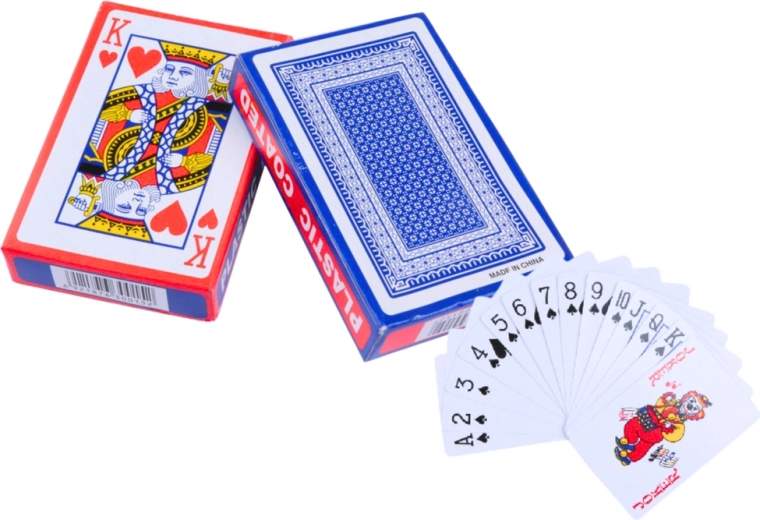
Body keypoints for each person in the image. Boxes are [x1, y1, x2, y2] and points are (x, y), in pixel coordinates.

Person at [614, 390, 711, 466]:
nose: (691, 405)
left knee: (643, 446)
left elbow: (676, 435)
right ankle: (628, 442)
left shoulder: (680, 423)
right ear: (687, 398)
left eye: (695, 408)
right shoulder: (672, 403)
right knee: (632, 425)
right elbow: (659, 406)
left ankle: (628, 458)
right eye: (692, 401)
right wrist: (665, 399)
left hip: (655, 432)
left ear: (694, 414)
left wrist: (667, 429)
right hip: (647, 420)